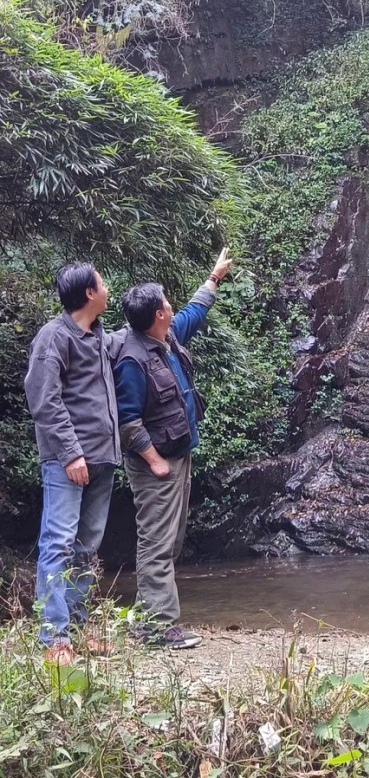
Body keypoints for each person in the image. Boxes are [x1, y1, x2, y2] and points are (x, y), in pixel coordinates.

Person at [113, 249, 233, 650]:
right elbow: (127, 421)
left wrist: (213, 278)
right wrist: (155, 461)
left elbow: (194, 312)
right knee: (156, 542)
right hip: (156, 463)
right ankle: (158, 627)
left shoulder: (164, 336)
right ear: (157, 315)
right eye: (166, 302)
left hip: (177, 453)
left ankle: (153, 619)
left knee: (172, 540)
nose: (171, 305)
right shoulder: (132, 359)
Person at [24, 262, 121, 664]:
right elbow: (43, 400)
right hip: (69, 461)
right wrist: (71, 453)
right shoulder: (54, 336)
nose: (107, 286)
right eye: (102, 282)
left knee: (86, 547)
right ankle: (54, 639)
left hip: (101, 458)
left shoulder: (98, 336)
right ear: (88, 293)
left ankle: (77, 630)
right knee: (58, 543)